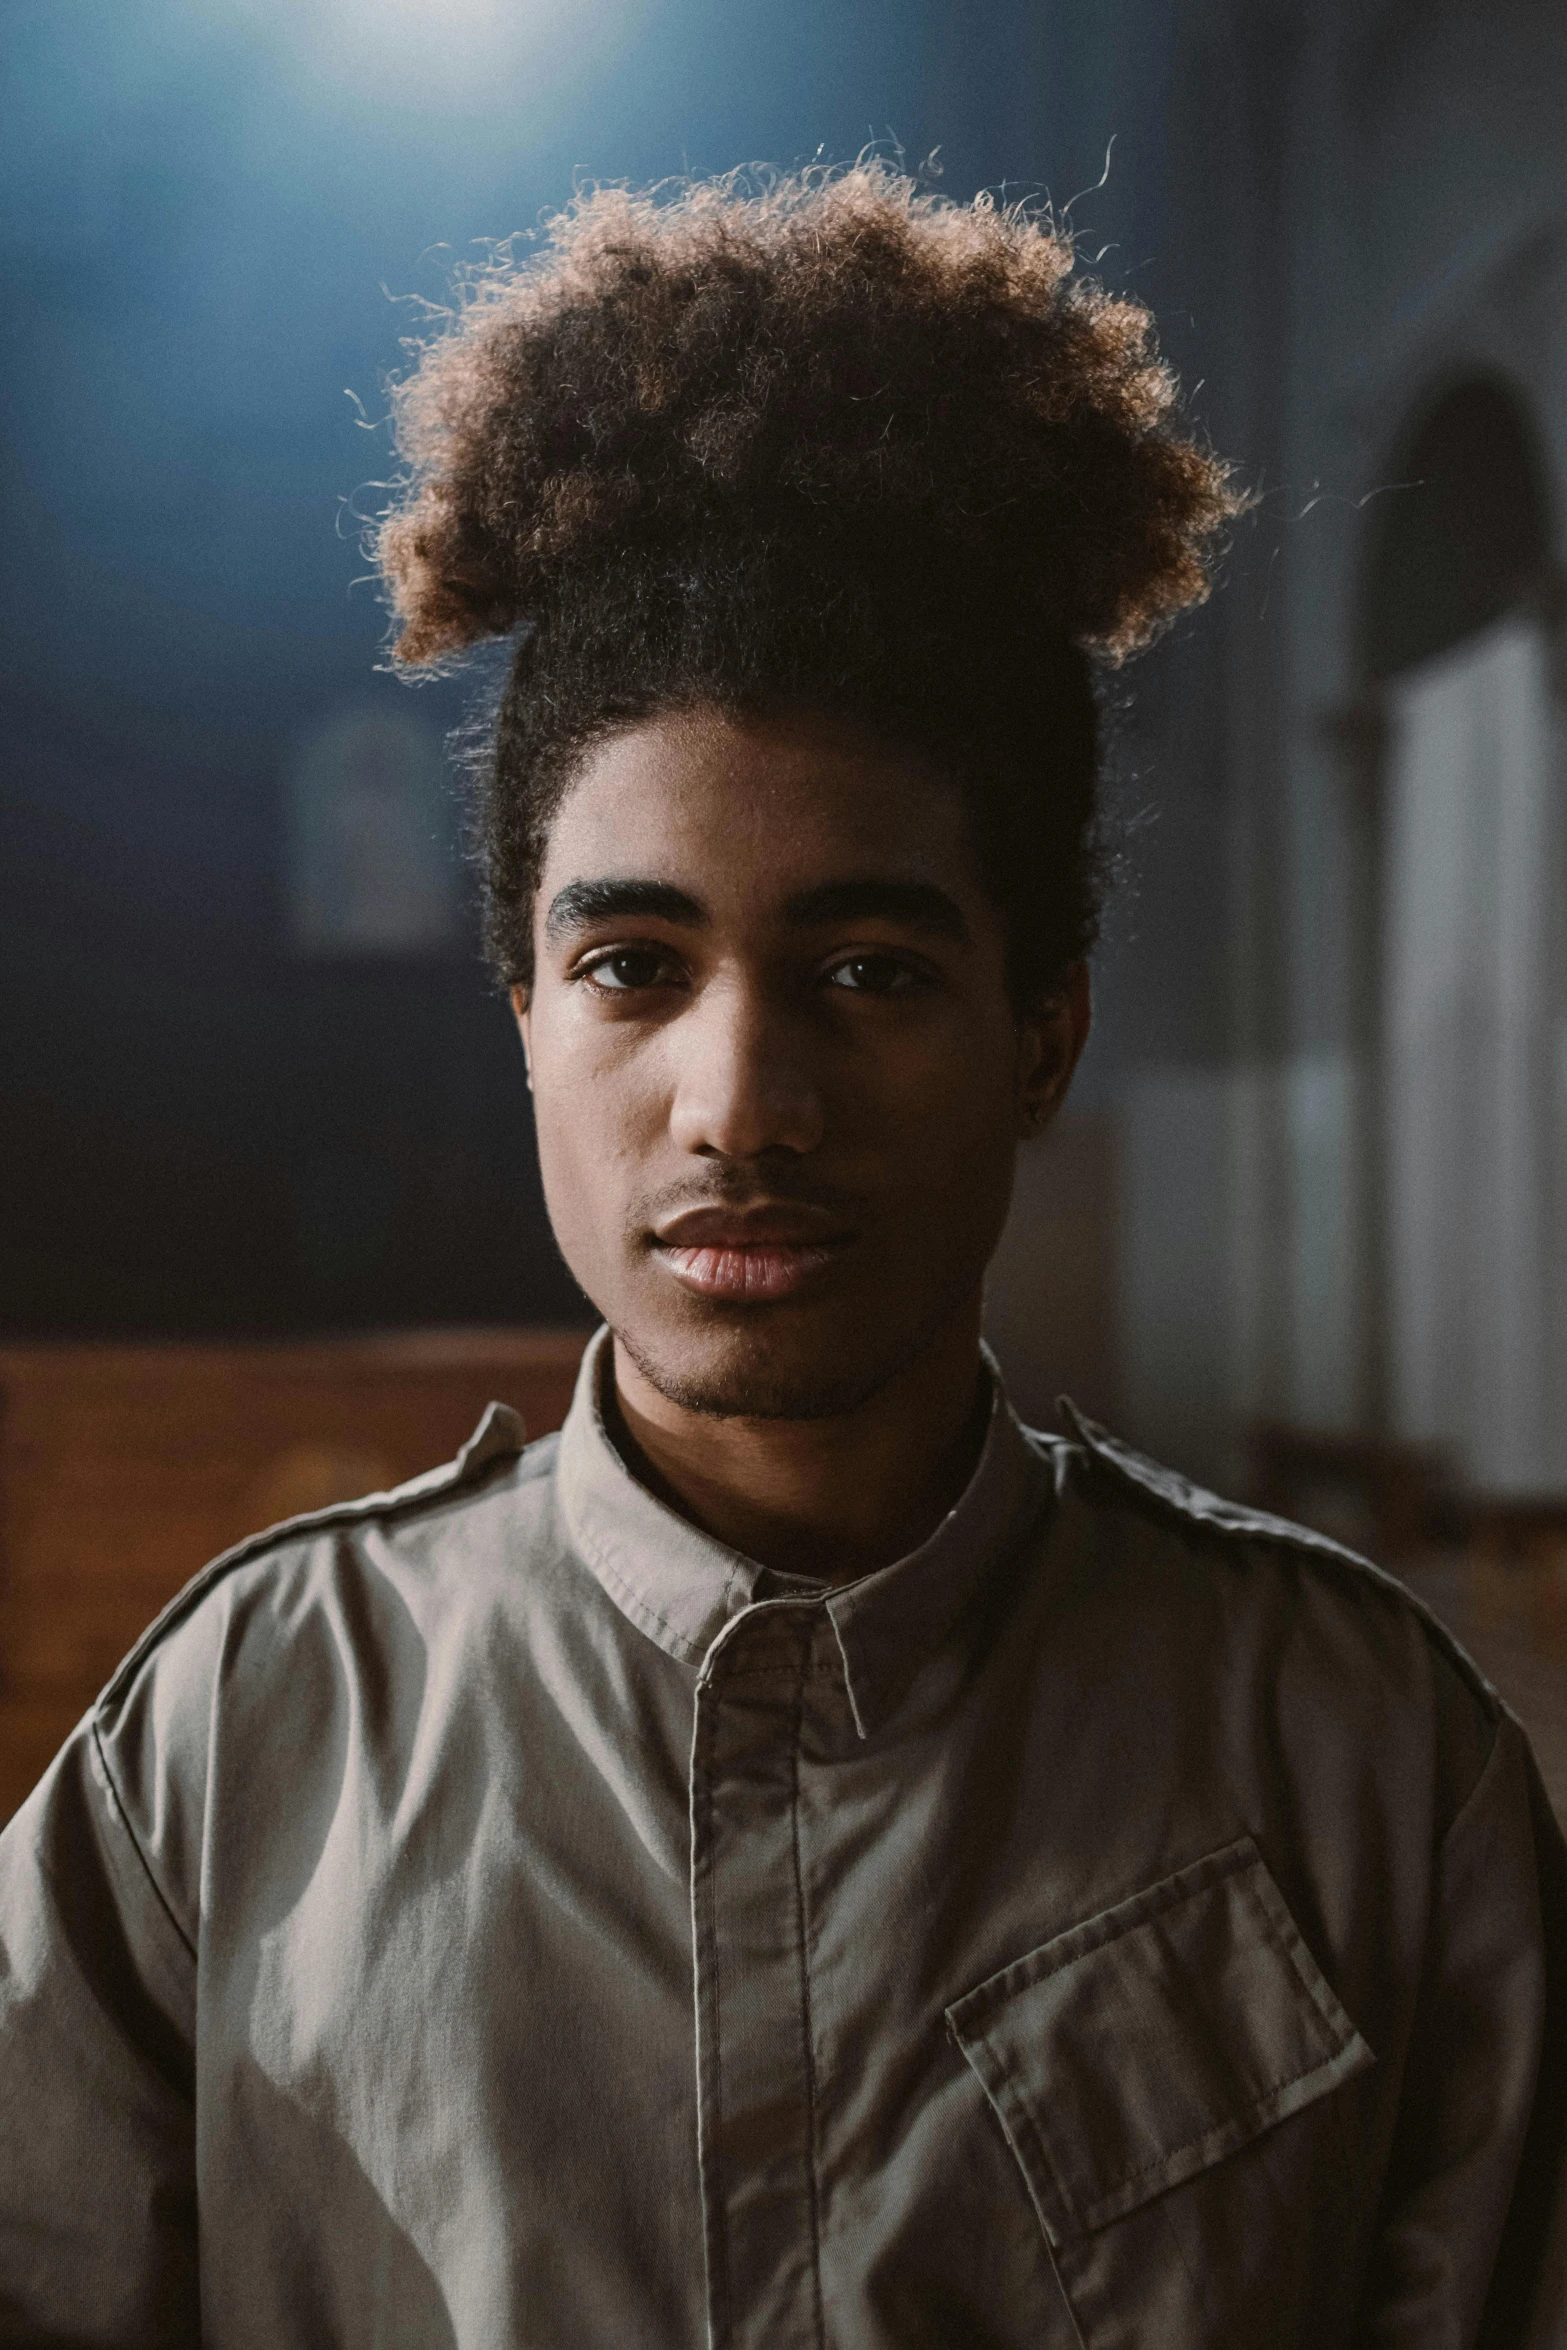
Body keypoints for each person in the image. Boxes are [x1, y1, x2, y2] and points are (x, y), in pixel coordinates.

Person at [0, 165, 1562, 2350]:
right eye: (634, 962)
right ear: (525, 1018)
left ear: (1044, 1033)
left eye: (868, 966)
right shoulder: (236, 1743)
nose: (740, 1102)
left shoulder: (1368, 1759)